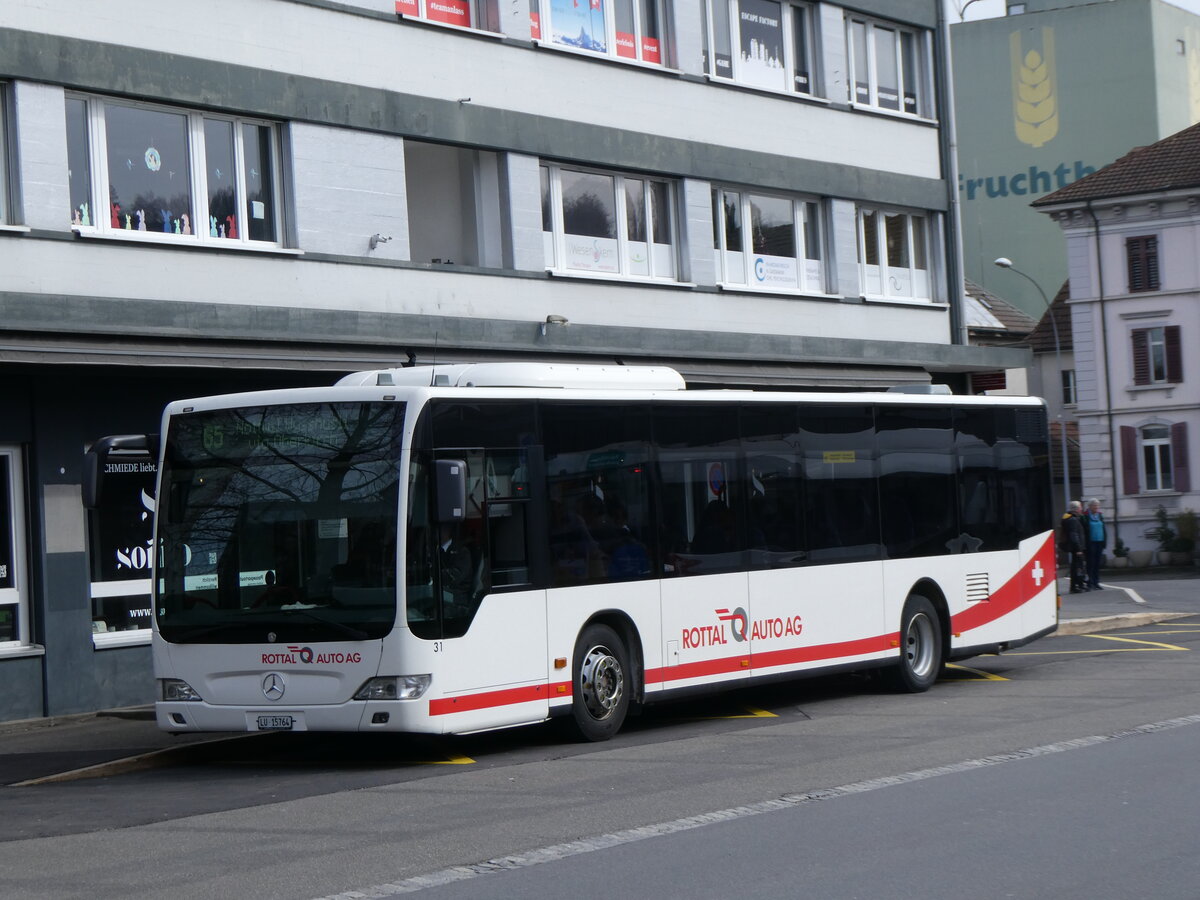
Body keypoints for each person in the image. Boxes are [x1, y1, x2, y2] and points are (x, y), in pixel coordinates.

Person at [1060, 500, 1086, 593]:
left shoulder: (1070, 518)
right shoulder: (1073, 520)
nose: (1081, 509)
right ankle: (1075, 586)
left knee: (1076, 566)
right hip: (1076, 548)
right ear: (1076, 509)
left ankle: (1077, 585)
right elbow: (1074, 535)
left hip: (1074, 547)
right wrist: (1079, 549)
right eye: (1080, 507)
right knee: (1077, 567)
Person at [1084, 498, 1107, 591]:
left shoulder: (1100, 515)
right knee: (1091, 563)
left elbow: (1104, 529)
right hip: (1090, 543)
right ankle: (1090, 582)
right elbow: (1084, 531)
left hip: (1099, 542)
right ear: (1090, 506)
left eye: (1098, 505)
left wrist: (1104, 541)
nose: (1097, 507)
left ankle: (1096, 582)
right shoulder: (1085, 516)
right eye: (1095, 505)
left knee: (1097, 563)